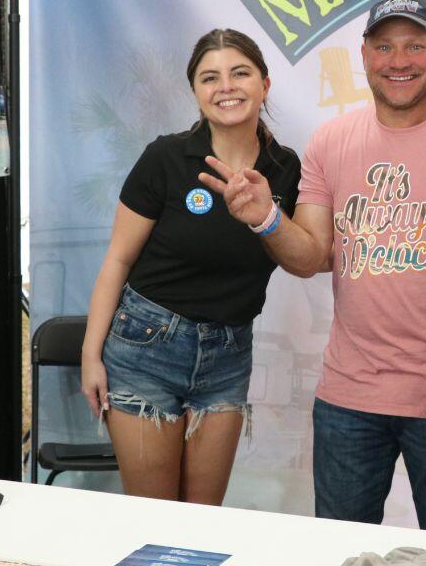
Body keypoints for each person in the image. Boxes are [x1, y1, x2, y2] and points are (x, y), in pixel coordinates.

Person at [200, 0, 426, 534]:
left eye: (415, 46)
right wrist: (267, 220)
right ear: (365, 56)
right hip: (348, 397)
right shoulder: (333, 139)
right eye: (384, 47)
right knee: (340, 548)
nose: (399, 61)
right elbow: (312, 257)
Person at [79, 29, 300, 504]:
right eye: (210, 77)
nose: (227, 87)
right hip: (145, 350)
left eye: (240, 73)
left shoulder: (285, 169)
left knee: (201, 523)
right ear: (196, 93)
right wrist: (91, 356)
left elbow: (301, 254)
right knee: (156, 520)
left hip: (228, 354)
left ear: (265, 82)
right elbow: (117, 260)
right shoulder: (166, 157)